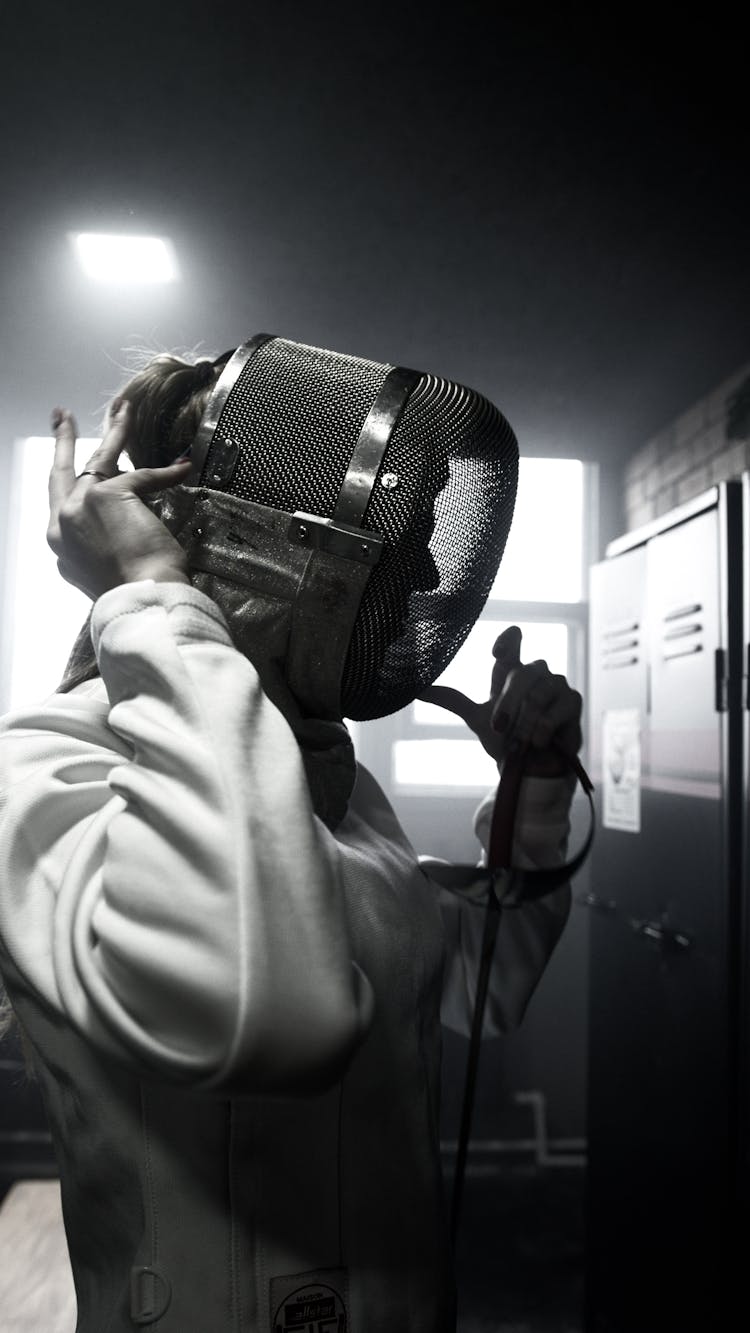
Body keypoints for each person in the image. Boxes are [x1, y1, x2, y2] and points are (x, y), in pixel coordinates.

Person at [0, 347, 582, 1332]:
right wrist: (146, 592)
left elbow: (466, 985)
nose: (430, 567)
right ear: (242, 540)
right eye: (396, 530)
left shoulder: (325, 779)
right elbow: (257, 1012)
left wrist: (534, 794)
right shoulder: (51, 767)